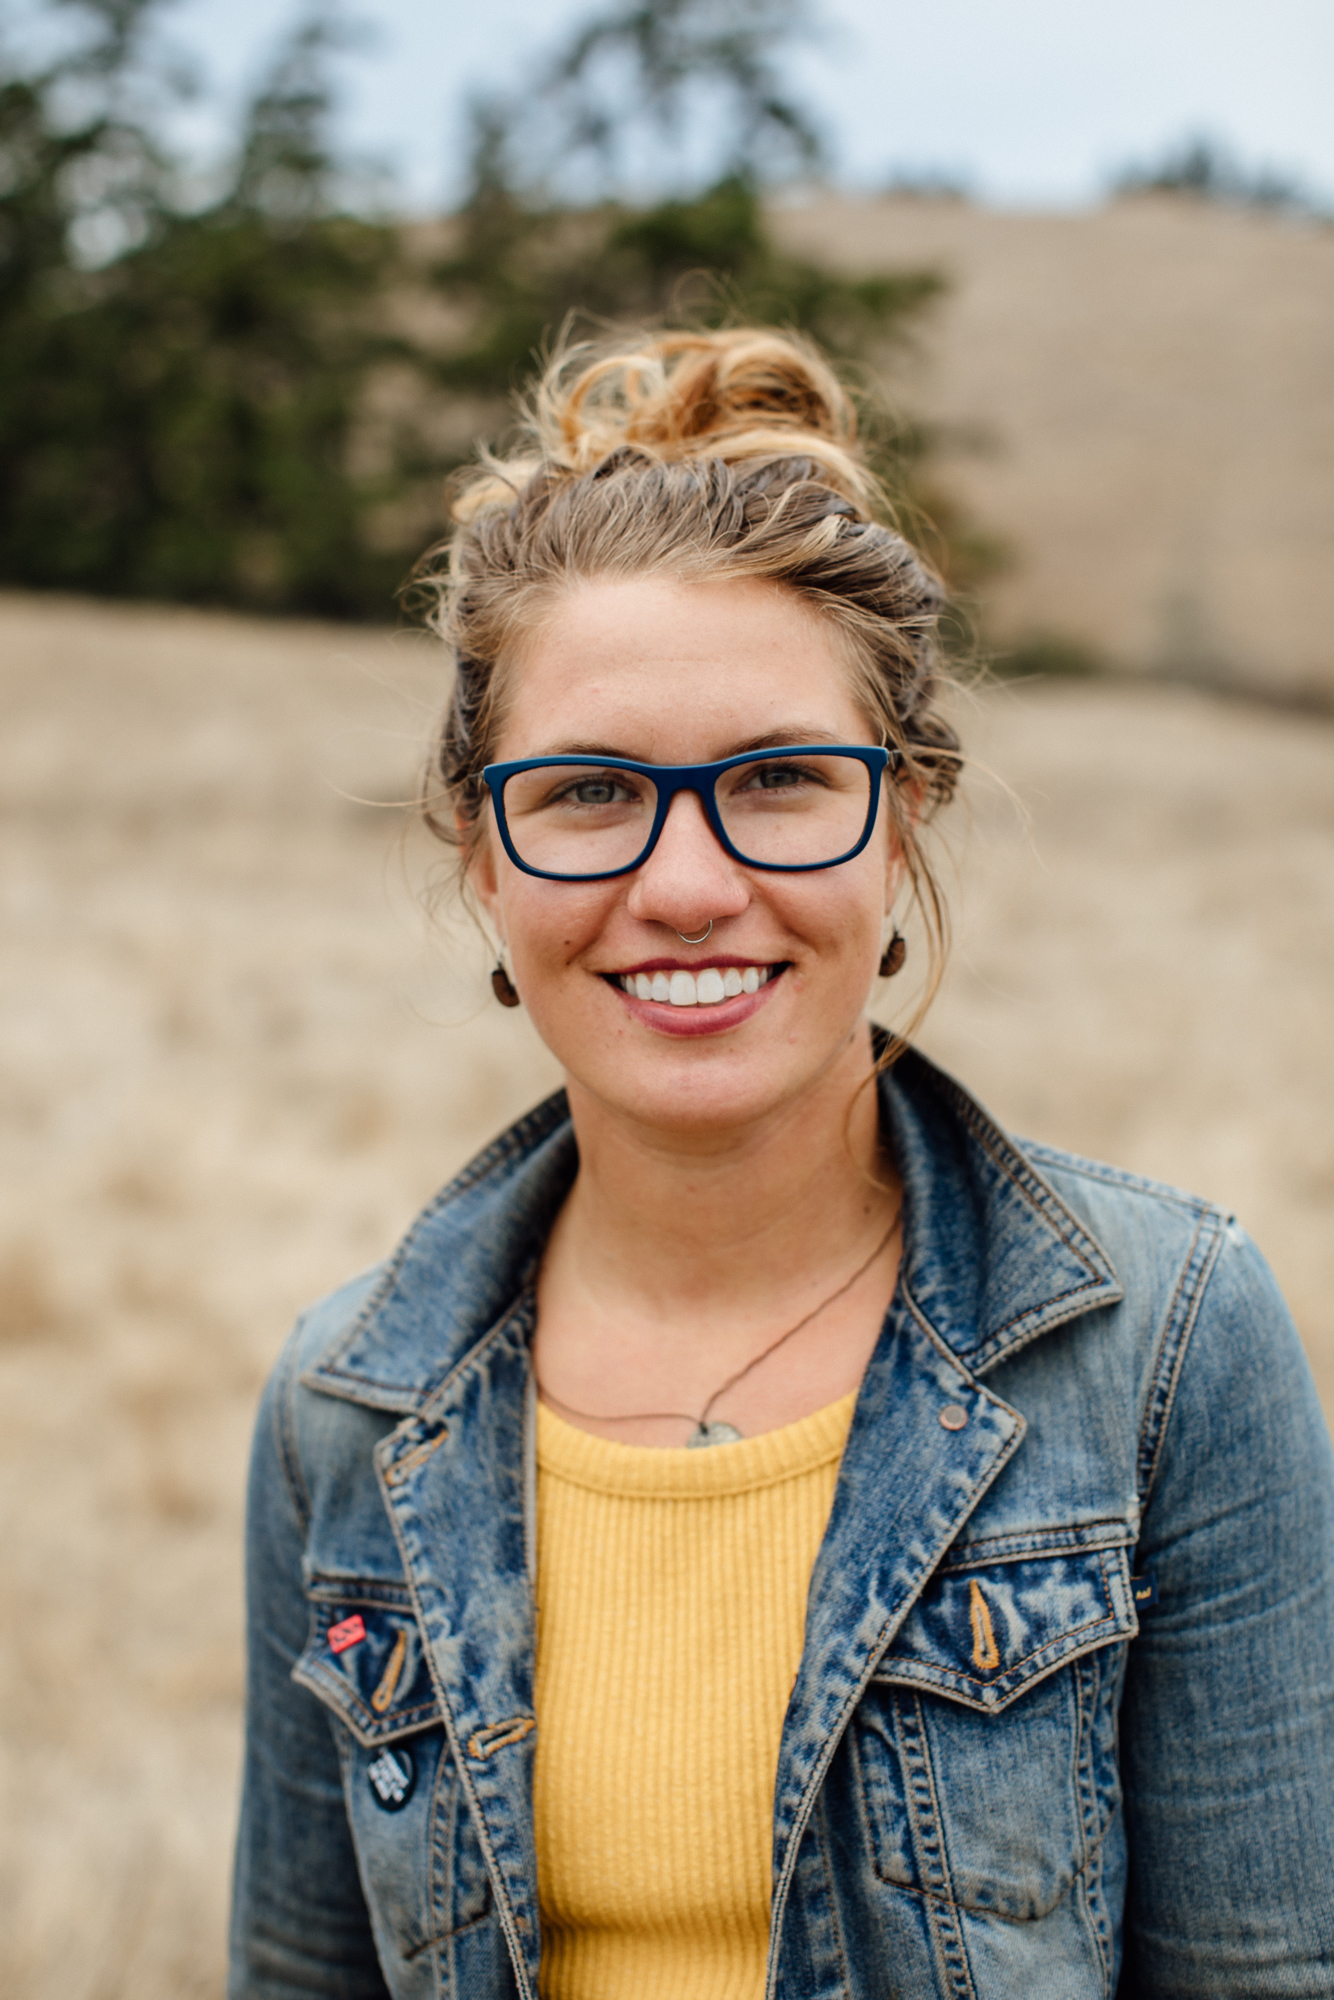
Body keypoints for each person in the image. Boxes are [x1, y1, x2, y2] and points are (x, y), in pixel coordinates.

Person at [229, 328, 1334, 2000]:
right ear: (479, 849)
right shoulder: (345, 1407)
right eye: (591, 791)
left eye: (779, 781)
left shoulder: (1163, 1351)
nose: (686, 883)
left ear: (903, 818)